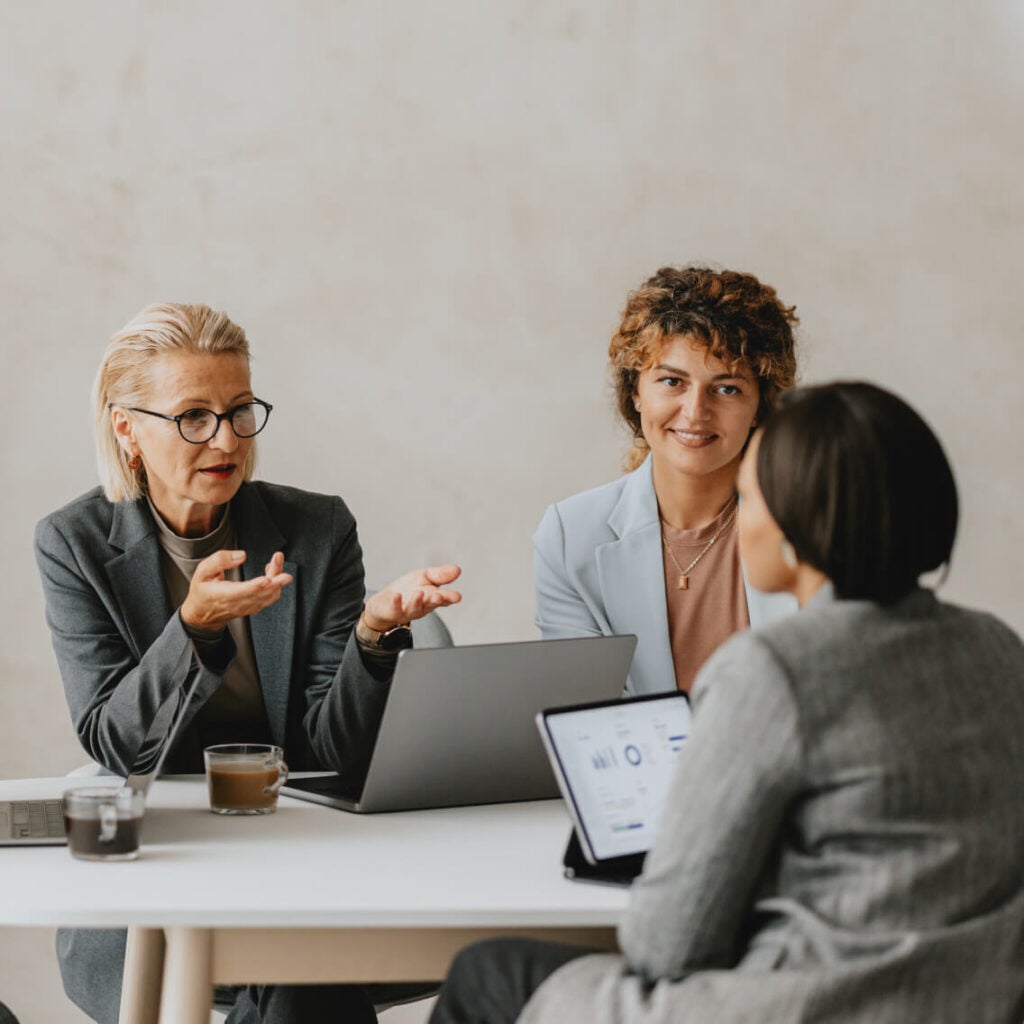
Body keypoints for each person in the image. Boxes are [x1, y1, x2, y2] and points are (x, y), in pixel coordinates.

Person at [431, 382, 1024, 1024]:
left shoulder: (774, 670)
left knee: (487, 973)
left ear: (801, 528)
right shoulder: (998, 650)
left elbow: (667, 945)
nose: (741, 515)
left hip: (816, 1003)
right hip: (977, 1000)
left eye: (751, 494)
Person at [34, 303, 461, 1024]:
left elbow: (333, 750)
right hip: (160, 872)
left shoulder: (316, 529)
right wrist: (193, 628)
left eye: (240, 411)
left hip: (297, 857)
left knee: (303, 969)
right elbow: (117, 745)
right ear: (127, 427)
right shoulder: (74, 544)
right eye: (193, 416)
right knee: (301, 974)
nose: (226, 438)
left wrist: (373, 638)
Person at [533, 265, 799, 696]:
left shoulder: (811, 522)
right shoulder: (570, 536)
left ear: (760, 408)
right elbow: (582, 714)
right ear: (635, 392)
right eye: (672, 381)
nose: (695, 412)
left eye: (727, 388)